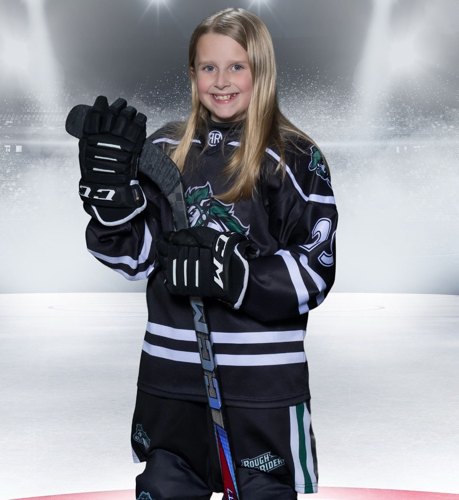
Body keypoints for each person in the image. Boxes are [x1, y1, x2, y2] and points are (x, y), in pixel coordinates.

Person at [75, 7, 337, 500]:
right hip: (171, 379)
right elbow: (137, 259)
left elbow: (315, 271)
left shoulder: (295, 156)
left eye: (237, 66)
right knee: (164, 488)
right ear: (192, 73)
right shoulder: (165, 148)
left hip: (262, 388)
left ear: (261, 70)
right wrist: (112, 205)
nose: (221, 81)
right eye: (208, 67)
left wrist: (237, 276)